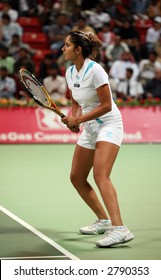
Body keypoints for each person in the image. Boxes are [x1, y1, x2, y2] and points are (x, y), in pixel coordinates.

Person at [61, 31, 134, 247]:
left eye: (66, 45)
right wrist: (75, 119)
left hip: (109, 124)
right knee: (76, 177)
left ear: (78, 49)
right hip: (91, 127)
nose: (63, 49)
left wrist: (80, 118)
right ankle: (103, 220)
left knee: (101, 174)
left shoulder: (96, 71)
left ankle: (120, 228)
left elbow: (106, 105)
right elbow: (75, 99)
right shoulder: (70, 72)